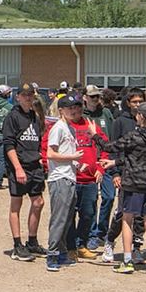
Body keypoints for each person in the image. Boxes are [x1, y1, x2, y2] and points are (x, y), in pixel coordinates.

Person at [96, 101, 146, 275]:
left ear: (141, 116)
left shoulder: (134, 136)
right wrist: (115, 162)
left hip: (132, 183)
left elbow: (109, 146)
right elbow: (138, 156)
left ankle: (127, 260)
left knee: (127, 220)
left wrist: (94, 135)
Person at [44, 94, 103, 270]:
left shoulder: (69, 128)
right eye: (69, 108)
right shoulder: (58, 128)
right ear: (61, 110)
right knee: (60, 218)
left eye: (76, 107)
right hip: (59, 178)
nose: (73, 110)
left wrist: (77, 164)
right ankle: (52, 255)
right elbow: (50, 154)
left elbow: (65, 153)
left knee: (67, 218)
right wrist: (73, 157)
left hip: (70, 176)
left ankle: (62, 253)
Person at [3, 84, 48, 261]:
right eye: (24, 95)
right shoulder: (12, 117)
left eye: (30, 95)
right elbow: (9, 145)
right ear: (18, 97)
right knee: (17, 204)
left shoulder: (34, 117)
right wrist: (18, 168)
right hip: (19, 166)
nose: (28, 98)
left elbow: (37, 141)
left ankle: (32, 241)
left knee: (38, 202)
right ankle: (17, 245)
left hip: (34, 164)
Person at [83, 85, 116, 250]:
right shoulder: (81, 116)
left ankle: (102, 232)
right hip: (89, 162)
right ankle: (92, 234)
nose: (95, 99)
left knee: (109, 196)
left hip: (106, 160)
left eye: (97, 96)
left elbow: (111, 136)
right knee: (91, 200)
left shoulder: (106, 113)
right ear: (85, 98)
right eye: (92, 96)